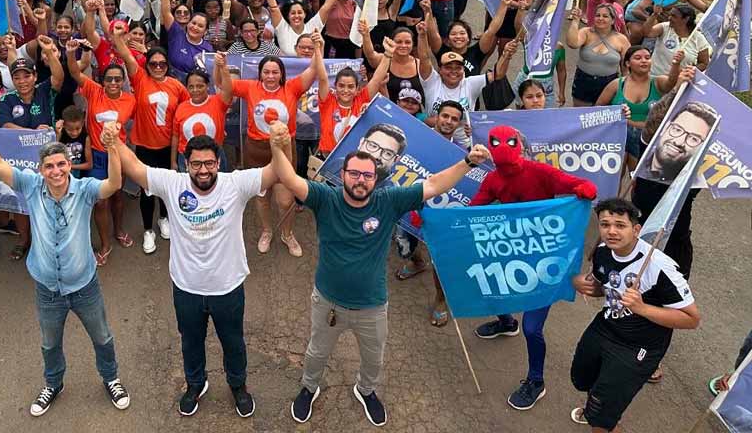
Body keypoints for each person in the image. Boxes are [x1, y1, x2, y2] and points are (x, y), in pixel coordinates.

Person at [267, 120, 491, 427]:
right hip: (327, 302)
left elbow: (435, 184)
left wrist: (467, 162)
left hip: (372, 306)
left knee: (374, 359)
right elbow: (290, 179)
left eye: (367, 176)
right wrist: (276, 146)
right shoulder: (325, 198)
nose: (361, 180)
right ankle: (309, 387)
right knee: (317, 352)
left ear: (377, 178)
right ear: (343, 175)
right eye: (355, 173)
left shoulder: (389, 200)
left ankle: (366, 390)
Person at [0, 115, 131, 417]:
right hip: (47, 289)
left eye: (61, 164)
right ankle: (53, 384)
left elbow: (115, 183)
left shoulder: (86, 189)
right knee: (50, 344)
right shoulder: (31, 185)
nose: (56, 171)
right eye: (49, 166)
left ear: (69, 165)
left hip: (84, 286)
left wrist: (113, 146)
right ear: (40, 169)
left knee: (102, 336)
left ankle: (111, 378)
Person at [114, 133, 277, 417]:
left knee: (233, 342)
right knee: (190, 341)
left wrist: (281, 142)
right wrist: (113, 140)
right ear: (185, 163)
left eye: (210, 163)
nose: (203, 170)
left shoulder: (235, 184)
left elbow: (276, 171)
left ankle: (238, 386)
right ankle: (195, 384)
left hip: (228, 287)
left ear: (219, 163)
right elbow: (134, 167)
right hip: (186, 287)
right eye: (196, 164)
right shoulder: (172, 183)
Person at [466, 124, 598, 411]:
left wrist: (582, 188)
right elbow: (473, 211)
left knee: (532, 328)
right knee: (488, 286)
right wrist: (435, 220)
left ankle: (536, 381)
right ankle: (505, 322)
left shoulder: (541, 173)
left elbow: (572, 182)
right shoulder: (492, 179)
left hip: (543, 260)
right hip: (509, 252)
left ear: (521, 147)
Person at [570, 198, 699, 430]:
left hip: (638, 346)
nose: (611, 231)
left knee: (601, 418)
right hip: (605, 327)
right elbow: (604, 288)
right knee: (583, 377)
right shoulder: (602, 251)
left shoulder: (660, 266)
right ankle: (602, 409)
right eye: (605, 224)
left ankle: (603, 418)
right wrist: (587, 286)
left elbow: (691, 319)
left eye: (620, 225)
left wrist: (642, 308)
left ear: (636, 229)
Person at [219, 52, 318, 257]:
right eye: (267, 72)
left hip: (284, 149)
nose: (271, 76)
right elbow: (225, 86)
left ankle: (287, 234)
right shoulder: (250, 87)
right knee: (262, 197)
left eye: (275, 72)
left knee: (285, 200)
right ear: (260, 74)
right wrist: (222, 66)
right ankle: (266, 230)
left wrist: (319, 47)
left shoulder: (292, 87)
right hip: (256, 150)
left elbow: (313, 70)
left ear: (281, 74)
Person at [109, 27, 187, 254]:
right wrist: (117, 36)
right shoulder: (140, 78)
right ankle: (147, 230)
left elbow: (185, 112)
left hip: (167, 146)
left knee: (165, 187)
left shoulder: (176, 86)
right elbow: (124, 53)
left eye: (162, 64)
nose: (158, 67)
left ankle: (164, 218)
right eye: (153, 64)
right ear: (147, 65)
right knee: (147, 189)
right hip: (144, 145)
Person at [67, 40, 136, 266]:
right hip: (97, 155)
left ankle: (119, 230)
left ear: (123, 80)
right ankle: (105, 244)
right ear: (102, 80)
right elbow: (75, 72)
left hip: (119, 155)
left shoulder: (130, 99)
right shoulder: (94, 91)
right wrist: (70, 52)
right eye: (109, 79)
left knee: (117, 196)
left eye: (118, 79)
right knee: (100, 202)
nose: (113, 82)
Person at [565, 4, 630, 106]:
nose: (600, 18)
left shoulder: (622, 40)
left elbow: (626, 68)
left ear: (613, 20)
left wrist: (625, 88)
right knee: (580, 116)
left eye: (605, 16)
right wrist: (575, 21)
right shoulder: (586, 32)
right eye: (597, 15)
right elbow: (572, 43)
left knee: (603, 117)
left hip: (609, 85)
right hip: (583, 82)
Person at [641, 100, 717, 184]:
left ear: (703, 147)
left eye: (694, 138)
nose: (679, 142)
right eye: (677, 129)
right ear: (665, 127)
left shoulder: (691, 185)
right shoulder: (643, 154)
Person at [641, 2, 710, 77]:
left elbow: (704, 63)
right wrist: (655, 14)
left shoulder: (699, 39)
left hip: (677, 83)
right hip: (654, 77)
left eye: (674, 16)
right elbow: (647, 33)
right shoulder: (665, 27)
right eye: (670, 15)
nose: (669, 18)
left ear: (686, 19)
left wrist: (688, 71)